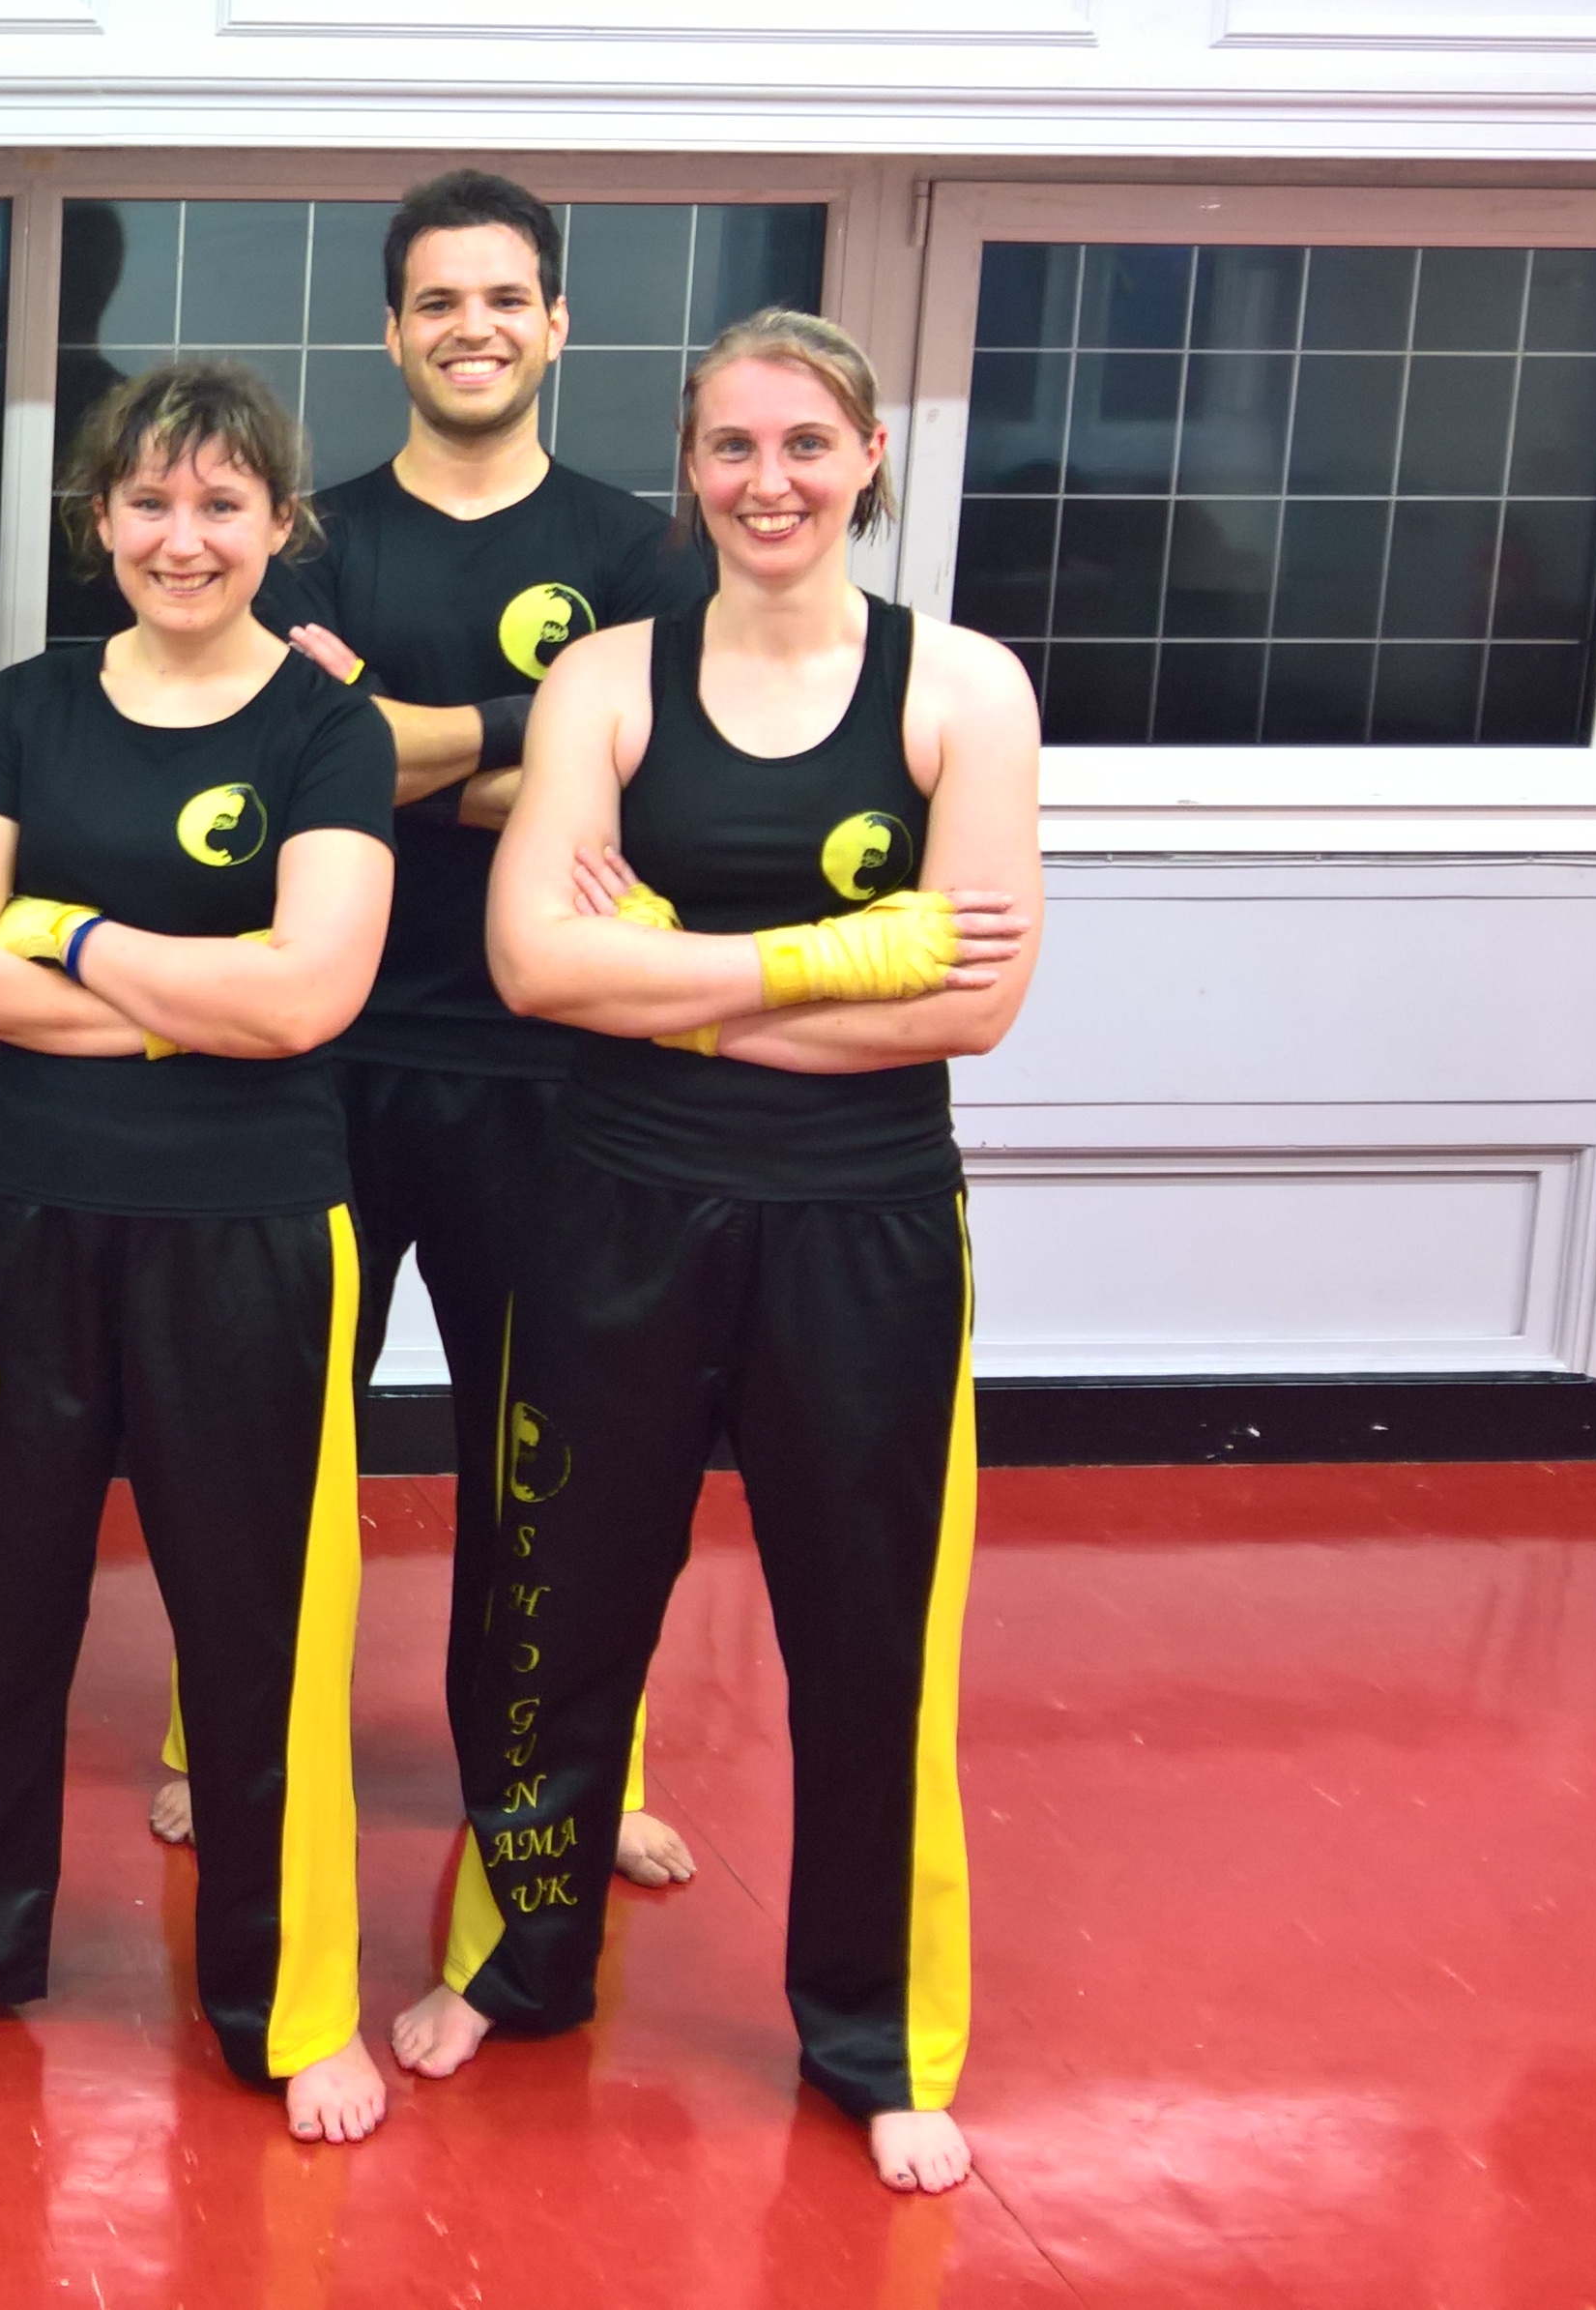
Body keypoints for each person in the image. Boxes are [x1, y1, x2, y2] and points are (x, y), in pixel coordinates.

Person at [0, 361, 399, 2146]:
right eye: (149, 501)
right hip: (41, 1213)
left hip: (255, 1226)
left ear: (279, 526)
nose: (181, 536)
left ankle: (289, 1994)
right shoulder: (30, 708)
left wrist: (64, 934)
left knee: (260, 1622)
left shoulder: (327, 729)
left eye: (221, 504)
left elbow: (307, 1000)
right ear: (99, 521)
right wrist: (187, 995)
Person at [478, 308, 1044, 2194]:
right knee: (566, 1605)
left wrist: (675, 975)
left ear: (868, 457)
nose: (768, 480)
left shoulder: (963, 689)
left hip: (863, 1228)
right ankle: (525, 1963)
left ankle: (871, 2037)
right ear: (691, 465)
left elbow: (973, 1004)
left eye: (806, 444)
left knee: (866, 1639)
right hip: (618, 1209)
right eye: (732, 446)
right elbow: (535, 964)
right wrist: (836, 955)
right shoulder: (606, 681)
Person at [229, 175, 714, 1999]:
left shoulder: (642, 555)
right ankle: (236, 1732)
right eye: (438, 301)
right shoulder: (313, 545)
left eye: (505, 297)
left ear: (557, 323)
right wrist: (545, 743)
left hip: (555, 1072)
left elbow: (654, 791)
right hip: (333, 1055)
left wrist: (420, 752)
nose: (473, 328)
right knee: (275, 1432)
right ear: (391, 330)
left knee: (562, 1452)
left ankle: (564, 1773)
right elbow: (311, 759)